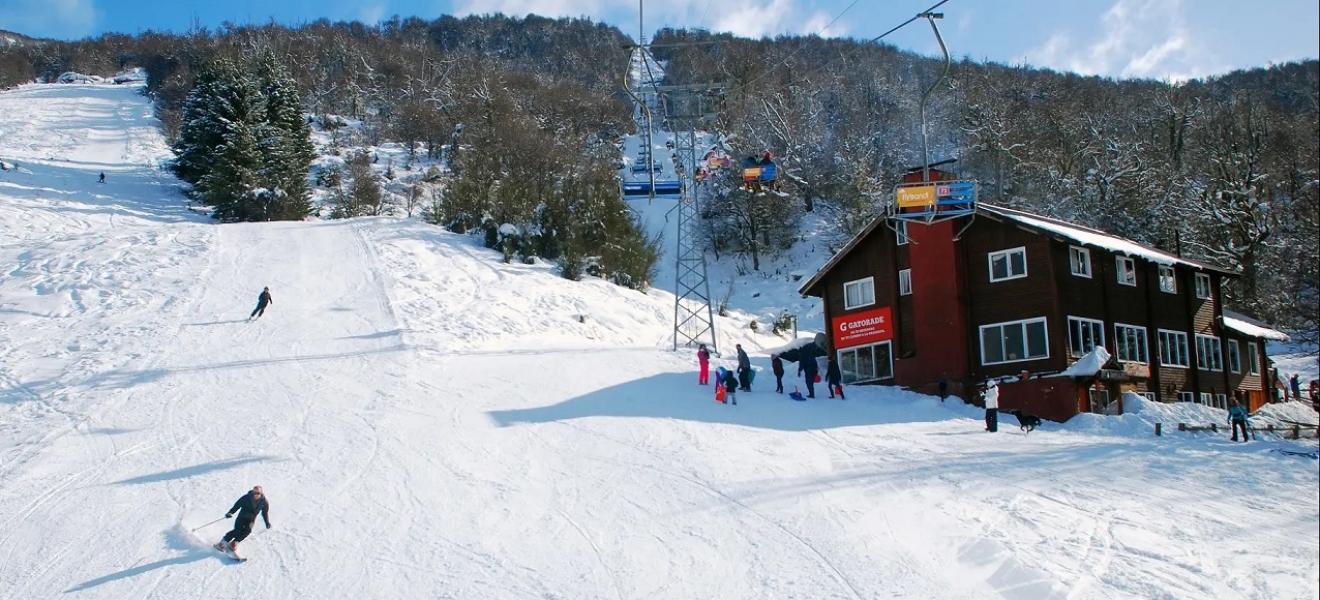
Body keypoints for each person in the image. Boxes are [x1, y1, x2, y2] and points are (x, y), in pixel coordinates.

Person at [216, 486, 270, 554]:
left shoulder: (264, 502)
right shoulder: (246, 498)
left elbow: (265, 513)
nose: (256, 495)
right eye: (254, 493)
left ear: (261, 493)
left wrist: (267, 522)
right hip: (242, 517)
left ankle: (234, 543)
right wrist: (230, 512)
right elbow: (237, 506)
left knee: (247, 531)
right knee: (237, 530)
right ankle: (223, 542)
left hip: (251, 519)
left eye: (258, 493)